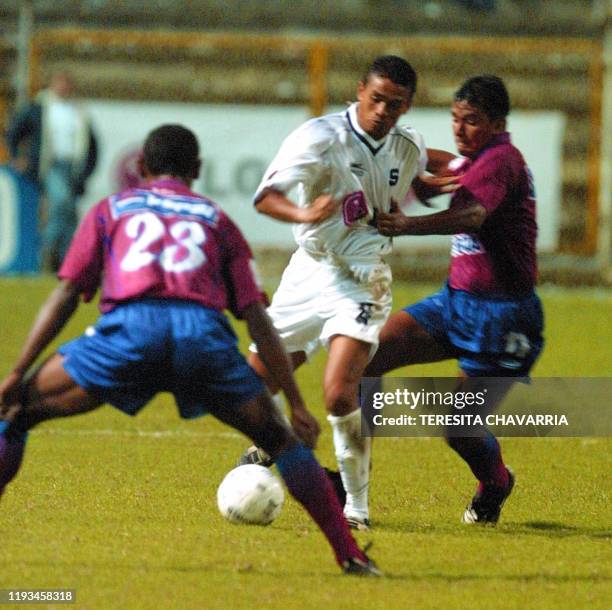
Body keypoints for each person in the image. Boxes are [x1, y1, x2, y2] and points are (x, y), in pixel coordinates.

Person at [0, 124, 380, 576]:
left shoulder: (112, 208)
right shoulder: (217, 220)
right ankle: (349, 555)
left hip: (129, 334)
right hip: (202, 339)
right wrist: (296, 405)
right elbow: (256, 314)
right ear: (197, 170)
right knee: (282, 443)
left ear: (140, 167)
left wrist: (17, 371)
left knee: (18, 411)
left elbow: (65, 295)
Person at [240, 55, 456, 531]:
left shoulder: (405, 142)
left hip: (363, 277)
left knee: (339, 394)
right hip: (308, 271)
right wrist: (303, 215)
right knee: (252, 391)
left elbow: (420, 166)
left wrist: (457, 173)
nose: (383, 110)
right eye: (376, 98)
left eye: (395, 104)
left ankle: (356, 509)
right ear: (360, 89)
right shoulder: (318, 137)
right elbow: (266, 197)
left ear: (407, 106)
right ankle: (274, 446)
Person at [368, 74, 545, 524]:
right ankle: (354, 483)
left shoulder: (502, 160)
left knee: (458, 426)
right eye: (455, 118)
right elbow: (446, 166)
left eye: (471, 121)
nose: (459, 129)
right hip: (454, 305)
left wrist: (408, 224)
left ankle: (496, 482)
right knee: (366, 355)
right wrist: (420, 174)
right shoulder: (476, 158)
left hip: (503, 318)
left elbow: (472, 213)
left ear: (498, 123)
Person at [6, 70, 98, 271]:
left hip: (73, 168)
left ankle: (66, 262)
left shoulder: (79, 110)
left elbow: (92, 145)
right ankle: (47, 253)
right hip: (51, 165)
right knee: (60, 204)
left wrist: (87, 170)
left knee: (70, 212)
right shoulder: (39, 108)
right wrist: (16, 157)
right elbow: (15, 131)